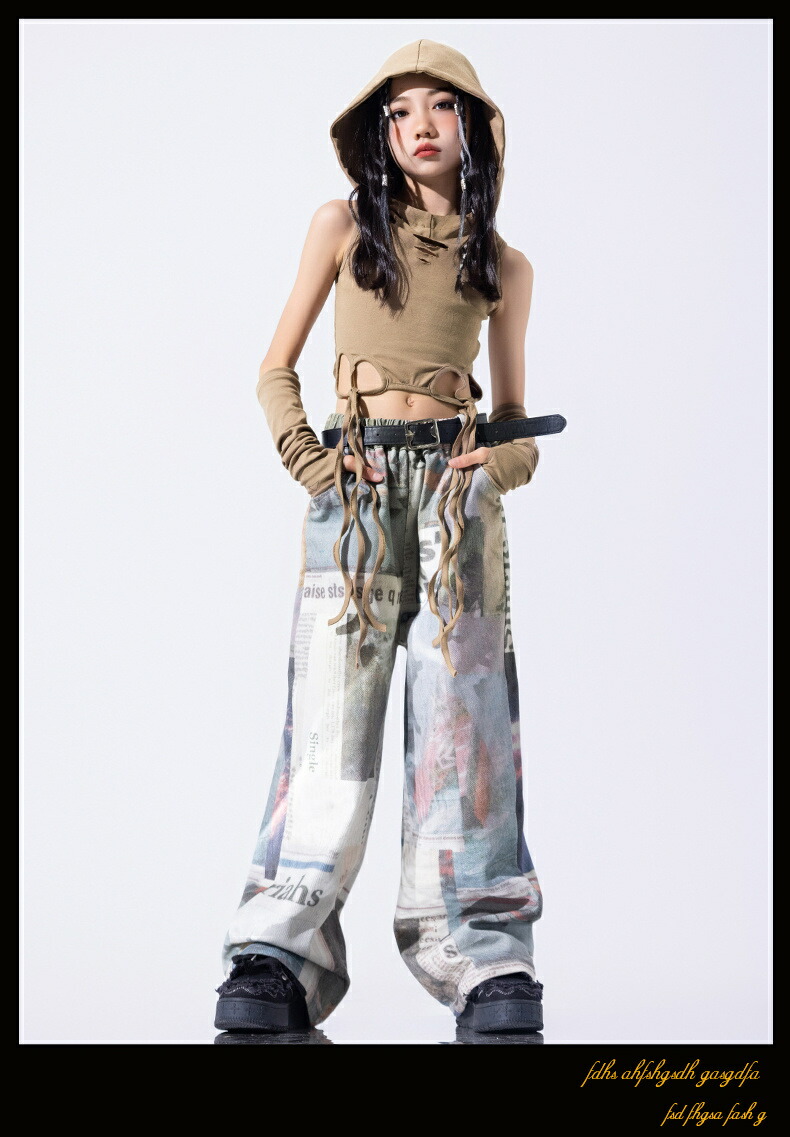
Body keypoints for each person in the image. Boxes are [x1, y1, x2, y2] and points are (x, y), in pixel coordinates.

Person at [215, 39, 563, 1037]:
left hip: (457, 505)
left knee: (466, 728)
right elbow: (274, 369)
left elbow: (515, 423)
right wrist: (312, 461)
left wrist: (493, 467)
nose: (420, 125)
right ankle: (276, 955)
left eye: (441, 107)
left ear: (473, 128)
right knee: (328, 721)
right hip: (357, 495)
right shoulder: (340, 226)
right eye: (400, 110)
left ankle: (485, 960)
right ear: (379, 133)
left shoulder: (503, 264)